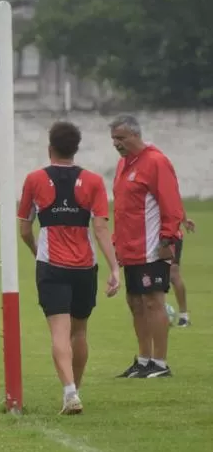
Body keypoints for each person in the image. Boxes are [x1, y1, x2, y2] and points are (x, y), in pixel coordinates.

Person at [17, 121, 121, 415]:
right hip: (85, 266)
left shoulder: (34, 179)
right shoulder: (94, 182)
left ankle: (69, 392)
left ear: (50, 148)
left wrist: (38, 251)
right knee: (80, 331)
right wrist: (115, 269)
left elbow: (24, 229)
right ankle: (76, 390)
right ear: (76, 149)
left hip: (52, 266)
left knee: (59, 334)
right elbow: (100, 229)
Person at [109, 114, 185, 378]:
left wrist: (167, 240)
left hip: (153, 246)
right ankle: (143, 360)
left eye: (120, 138)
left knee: (154, 302)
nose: (116, 144)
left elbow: (171, 205)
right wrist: (116, 243)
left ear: (136, 135)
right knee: (135, 302)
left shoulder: (156, 162)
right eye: (113, 139)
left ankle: (160, 364)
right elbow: (121, 209)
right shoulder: (123, 165)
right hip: (130, 248)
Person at [170, 215, 196, 327]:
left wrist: (183, 220)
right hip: (152, 235)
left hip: (170, 235)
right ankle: (155, 313)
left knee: (173, 273)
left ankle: (183, 316)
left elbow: (173, 203)